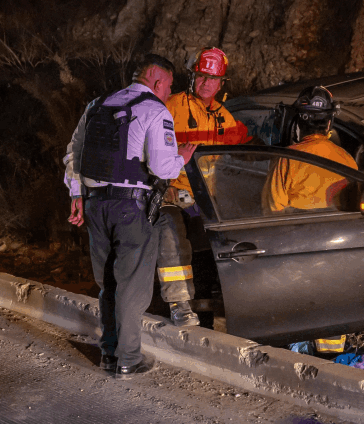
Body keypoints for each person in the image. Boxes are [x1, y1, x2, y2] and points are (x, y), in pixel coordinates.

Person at [64, 54, 197, 378]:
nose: (168, 92)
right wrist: (182, 157)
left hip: (95, 206)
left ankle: (109, 353)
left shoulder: (97, 105)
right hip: (130, 209)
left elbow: (74, 153)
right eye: (168, 86)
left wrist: (76, 193)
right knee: (131, 287)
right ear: (156, 80)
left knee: (108, 283)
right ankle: (128, 359)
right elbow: (162, 168)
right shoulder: (155, 110)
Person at [157, 46, 250, 327]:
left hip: (208, 198)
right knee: (171, 236)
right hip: (174, 192)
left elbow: (242, 154)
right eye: (200, 77)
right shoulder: (172, 106)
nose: (206, 84)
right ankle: (179, 304)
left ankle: (223, 309)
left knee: (219, 248)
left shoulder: (226, 118)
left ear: (222, 83)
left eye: (212, 79)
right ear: (192, 76)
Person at [265, 85, 358, 212]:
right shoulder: (348, 160)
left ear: (298, 122)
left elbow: (272, 210)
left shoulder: (287, 159)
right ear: (329, 123)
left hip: (296, 230)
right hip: (337, 229)